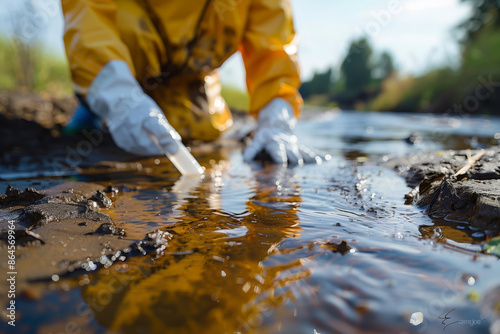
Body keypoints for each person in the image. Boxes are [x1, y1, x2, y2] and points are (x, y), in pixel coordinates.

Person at [61, 0, 321, 166]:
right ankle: (99, 101)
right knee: (124, 29)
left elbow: (273, 43)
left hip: (195, 72)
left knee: (203, 131)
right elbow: (88, 15)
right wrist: (116, 94)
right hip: (130, 60)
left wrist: (276, 114)